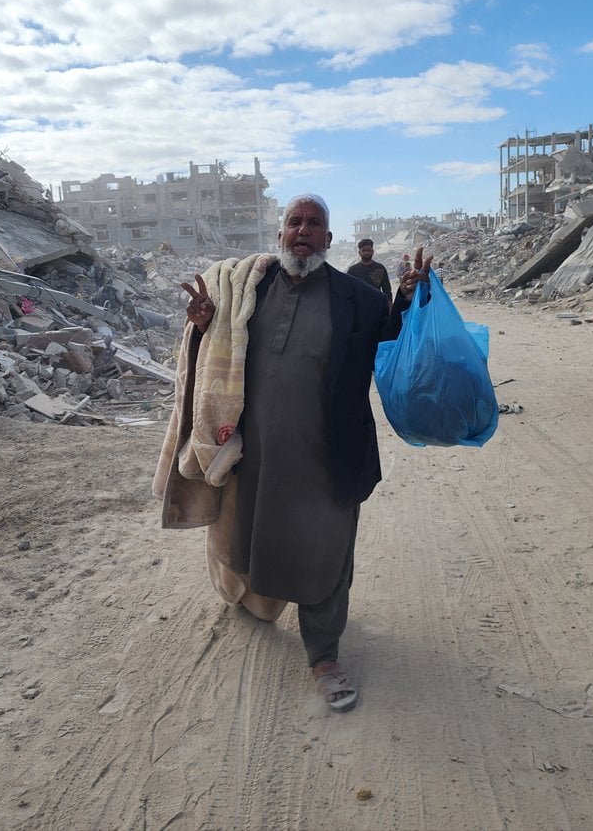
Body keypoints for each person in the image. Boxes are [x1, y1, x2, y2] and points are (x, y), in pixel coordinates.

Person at [169, 194, 430, 713]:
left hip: (328, 454)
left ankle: (324, 656)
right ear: (280, 233)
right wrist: (201, 325)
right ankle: (255, 599)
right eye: (295, 222)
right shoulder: (249, 291)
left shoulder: (357, 298)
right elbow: (215, 349)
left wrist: (408, 298)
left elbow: (394, 338)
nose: (303, 231)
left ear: (329, 241)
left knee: (326, 552)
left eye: (314, 224)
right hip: (258, 452)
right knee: (253, 535)